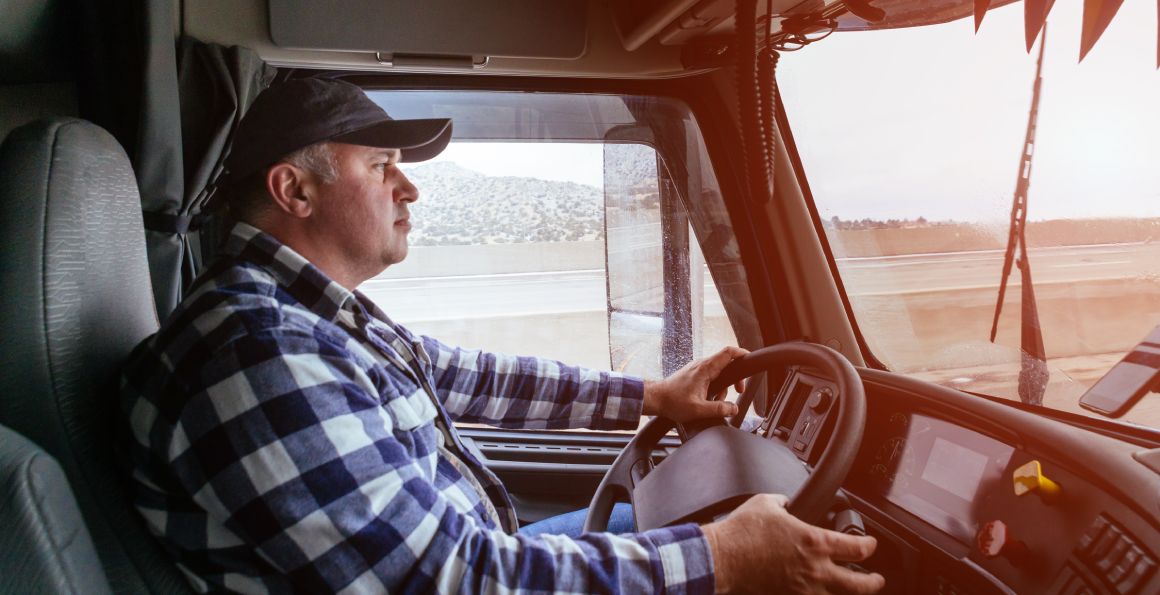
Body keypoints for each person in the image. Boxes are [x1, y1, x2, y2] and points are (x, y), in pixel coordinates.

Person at [120, 78, 885, 594]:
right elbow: (452, 579)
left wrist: (655, 393)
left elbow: (463, 376)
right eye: (381, 164)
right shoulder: (255, 355)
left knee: (652, 526)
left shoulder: (311, 316)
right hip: (462, 575)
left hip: (470, 555)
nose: (409, 184)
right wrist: (725, 557)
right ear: (295, 190)